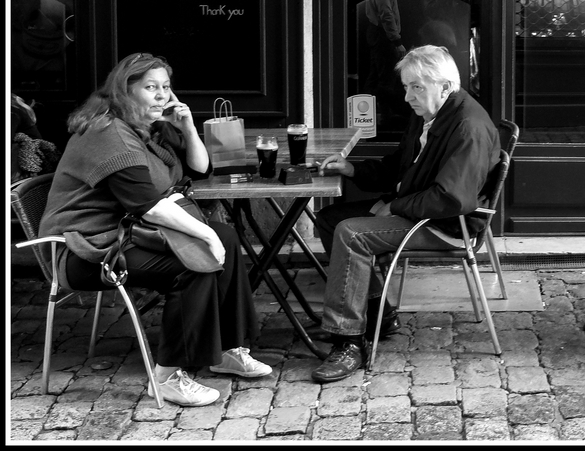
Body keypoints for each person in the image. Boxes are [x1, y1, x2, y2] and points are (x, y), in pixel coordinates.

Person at [38, 52, 271, 407]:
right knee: (193, 264)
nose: (162, 94)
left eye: (165, 86)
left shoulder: (145, 129)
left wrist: (188, 126)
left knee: (225, 237)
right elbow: (147, 204)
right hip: (85, 249)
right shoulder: (109, 133)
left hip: (127, 233)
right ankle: (166, 377)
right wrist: (203, 234)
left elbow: (200, 169)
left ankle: (225, 350)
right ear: (124, 91)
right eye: (151, 87)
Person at [311, 45, 499, 383]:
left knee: (352, 234)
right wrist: (352, 169)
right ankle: (378, 315)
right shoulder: (430, 116)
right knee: (329, 220)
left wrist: (395, 205)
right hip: (419, 209)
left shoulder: (467, 128)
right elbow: (400, 165)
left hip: (446, 224)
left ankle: (349, 342)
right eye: (406, 86)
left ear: (444, 87)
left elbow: (451, 199)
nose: (407, 96)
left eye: (416, 87)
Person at [365, 0, 406, 119]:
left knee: (376, 75)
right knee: (386, 76)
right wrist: (396, 40)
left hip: (377, 34)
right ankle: (386, 115)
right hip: (383, 35)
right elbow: (386, 13)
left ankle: (372, 112)